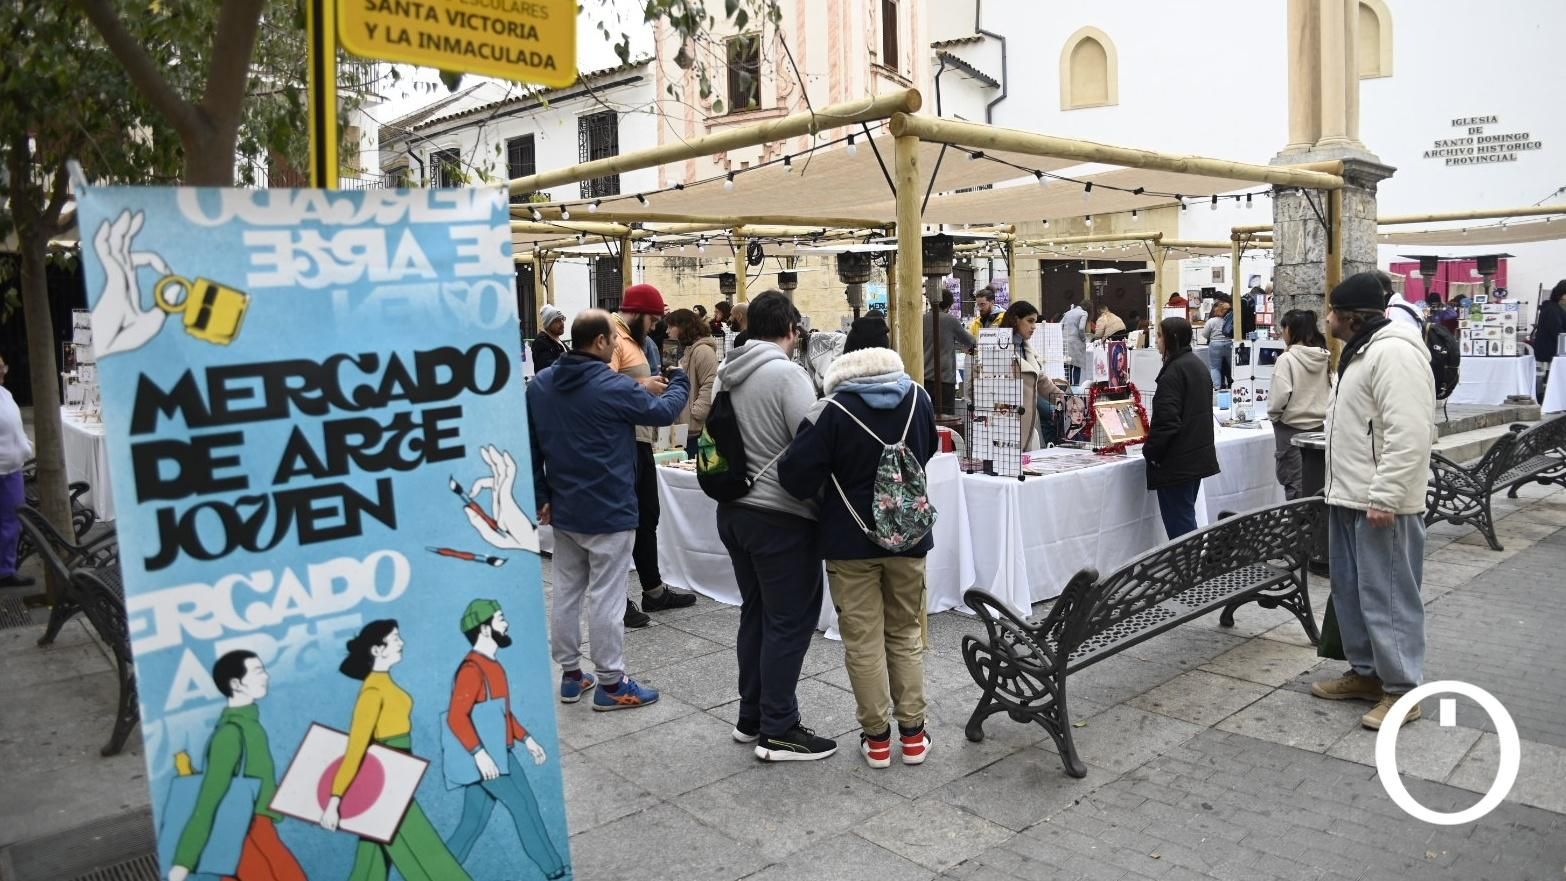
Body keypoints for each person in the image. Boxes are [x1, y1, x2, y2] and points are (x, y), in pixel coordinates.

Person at [779, 338, 938, 769]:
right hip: (909, 539)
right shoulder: (918, 398)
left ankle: (878, 740)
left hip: (849, 543)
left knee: (862, 642)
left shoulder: (832, 410)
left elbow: (794, 475)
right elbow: (929, 451)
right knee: (905, 635)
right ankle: (915, 735)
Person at [529, 310, 689, 710]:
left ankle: (570, 674)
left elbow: (530, 444)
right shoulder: (611, 385)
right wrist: (680, 382)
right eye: (613, 340)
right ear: (600, 341)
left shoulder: (541, 385)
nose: (617, 344)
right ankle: (612, 683)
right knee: (607, 596)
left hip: (565, 506)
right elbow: (664, 412)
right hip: (609, 507)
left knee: (566, 592)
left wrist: (540, 495)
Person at [713, 291, 836, 762]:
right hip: (780, 516)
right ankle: (780, 728)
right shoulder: (788, 374)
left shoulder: (730, 373)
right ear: (791, 329)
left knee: (757, 613)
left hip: (735, 511)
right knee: (789, 622)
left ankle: (752, 716)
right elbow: (810, 447)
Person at [1310, 271, 1436, 731]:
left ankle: (1403, 691)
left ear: (1351, 318)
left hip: (1380, 503)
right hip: (1350, 496)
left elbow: (1409, 433)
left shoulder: (1395, 353)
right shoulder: (1363, 352)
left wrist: (1386, 495)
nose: (1326, 319)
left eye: (1332, 313)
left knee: (1388, 596)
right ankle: (1366, 674)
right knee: (1352, 591)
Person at [321, 621, 473, 881]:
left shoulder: (383, 684)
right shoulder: (372, 692)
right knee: (426, 853)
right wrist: (334, 801)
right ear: (378, 650)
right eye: (395, 639)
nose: (401, 643)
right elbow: (356, 748)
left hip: (395, 774)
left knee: (370, 864)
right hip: (386, 782)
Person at [445, 601, 566, 879]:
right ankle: (554, 869)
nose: (506, 624)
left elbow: (500, 714)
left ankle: (435, 871)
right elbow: (456, 717)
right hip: (489, 758)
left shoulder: (493, 666)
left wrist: (527, 739)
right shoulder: (471, 670)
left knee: (472, 823)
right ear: (485, 628)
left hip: (502, 752)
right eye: (500, 619)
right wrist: (480, 754)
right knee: (523, 807)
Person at [168, 652, 303, 881]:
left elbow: (259, 782)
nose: (266, 677)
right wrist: (183, 862)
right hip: (247, 834)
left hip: (257, 829)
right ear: (236, 684)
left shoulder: (250, 726)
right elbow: (209, 799)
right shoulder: (230, 735)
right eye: (259, 671)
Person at [611, 284, 698, 625]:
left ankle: (654, 590)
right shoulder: (613, 338)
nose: (654, 326)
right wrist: (642, 387)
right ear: (637, 313)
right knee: (624, 522)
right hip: (622, 441)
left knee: (648, 515)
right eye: (652, 319)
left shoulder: (638, 341)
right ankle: (618, 602)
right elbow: (600, 387)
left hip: (641, 438)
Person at [1143, 317, 1219, 539]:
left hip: (1178, 461)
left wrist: (1152, 452)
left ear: (1171, 338)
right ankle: (1191, 567)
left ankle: (1189, 570)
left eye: (1159, 336)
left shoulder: (1174, 372)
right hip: (1194, 456)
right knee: (1185, 517)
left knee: (1180, 525)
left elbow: (1167, 421)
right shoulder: (1196, 365)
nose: (1156, 341)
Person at [1268, 310, 1331, 500]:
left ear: (1290, 329)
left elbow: (1278, 397)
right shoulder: (1323, 356)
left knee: (1294, 483)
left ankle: (1300, 527)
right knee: (1315, 482)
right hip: (1318, 428)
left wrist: (1275, 416)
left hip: (1290, 429)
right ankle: (1313, 527)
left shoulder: (1287, 359)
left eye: (1283, 328)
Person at [998, 302, 1065, 448]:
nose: (1034, 326)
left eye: (1035, 321)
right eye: (1030, 321)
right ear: (1015, 320)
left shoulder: (1027, 349)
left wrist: (1067, 400)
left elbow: (1042, 382)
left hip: (1029, 424)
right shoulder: (996, 348)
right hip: (1004, 424)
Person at [0, 354, 33, 588]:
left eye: (3, 366)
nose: (2, 372)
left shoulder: (6, 394)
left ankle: (5, 570)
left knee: (13, 523)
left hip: (13, 471)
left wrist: (25, 445)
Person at [666, 308, 719, 451]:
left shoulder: (702, 351)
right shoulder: (688, 350)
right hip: (683, 430)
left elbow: (710, 383)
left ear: (683, 327)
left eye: (671, 326)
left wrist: (696, 414)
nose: (667, 331)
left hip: (695, 431)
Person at [922, 290, 978, 415]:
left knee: (927, 417)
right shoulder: (951, 321)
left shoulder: (922, 320)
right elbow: (970, 341)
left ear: (931, 302)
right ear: (949, 305)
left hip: (924, 378)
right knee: (946, 420)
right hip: (944, 379)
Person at [1533, 280, 1566, 401]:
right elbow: (1557, 332)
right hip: (1550, 351)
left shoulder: (1553, 308)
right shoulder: (1552, 310)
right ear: (1562, 295)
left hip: (1552, 349)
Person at [1203, 299, 1233, 389]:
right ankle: (1234, 384)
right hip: (1229, 344)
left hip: (1215, 345)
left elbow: (1205, 334)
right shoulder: (1230, 320)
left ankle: (1217, 387)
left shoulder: (1212, 321)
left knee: (1215, 367)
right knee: (1232, 366)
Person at [530, 306, 567, 374]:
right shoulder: (541, 342)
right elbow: (548, 368)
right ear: (548, 324)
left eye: (562, 319)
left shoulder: (559, 342)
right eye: (557, 320)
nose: (562, 323)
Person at [1061, 299, 1089, 386]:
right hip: (1076, 342)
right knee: (1077, 366)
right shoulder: (1084, 313)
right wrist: (1084, 339)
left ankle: (1067, 386)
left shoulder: (1068, 313)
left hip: (1065, 342)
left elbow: (1060, 324)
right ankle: (1076, 387)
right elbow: (1081, 328)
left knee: (1068, 366)